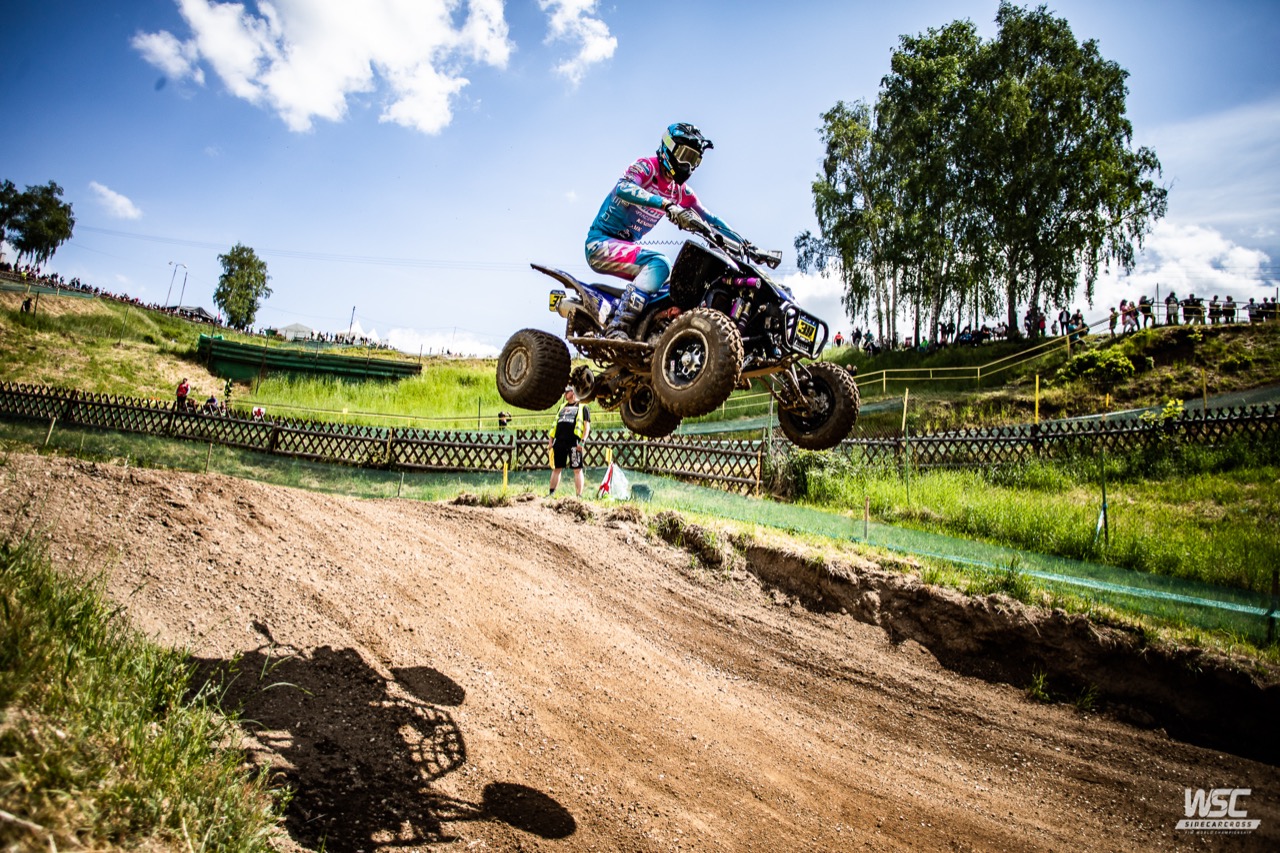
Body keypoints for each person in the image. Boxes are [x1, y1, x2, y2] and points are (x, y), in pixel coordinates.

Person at [586, 122, 744, 339]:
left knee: (676, 285)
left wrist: (745, 244)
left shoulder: (679, 191)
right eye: (685, 156)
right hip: (599, 243)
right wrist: (666, 205)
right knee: (659, 263)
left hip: (626, 247)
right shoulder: (647, 167)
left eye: (694, 160)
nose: (688, 165)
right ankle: (618, 326)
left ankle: (650, 331)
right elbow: (623, 187)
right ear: (669, 148)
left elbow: (709, 218)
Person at [548, 387, 591, 497]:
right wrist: (550, 441)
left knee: (577, 469)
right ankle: (551, 493)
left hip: (574, 442)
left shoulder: (583, 407)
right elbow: (554, 425)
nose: (564, 394)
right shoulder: (562, 407)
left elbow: (586, 427)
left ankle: (578, 496)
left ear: (573, 392)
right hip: (560, 441)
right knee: (557, 468)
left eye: (566, 392)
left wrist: (582, 441)